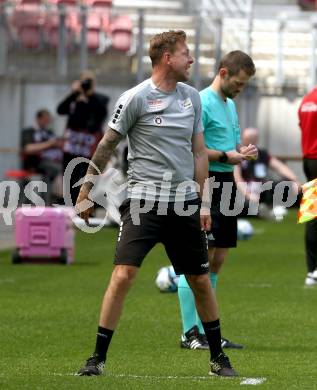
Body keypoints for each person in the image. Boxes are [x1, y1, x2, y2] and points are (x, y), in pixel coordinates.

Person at [75, 30, 237, 377]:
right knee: (123, 276)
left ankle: (217, 358)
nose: (191, 59)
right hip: (143, 202)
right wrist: (85, 191)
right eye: (185, 53)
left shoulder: (192, 98)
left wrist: (204, 202)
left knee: (200, 280)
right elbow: (106, 147)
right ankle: (97, 358)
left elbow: (198, 153)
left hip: (183, 204)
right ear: (167, 58)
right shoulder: (134, 98)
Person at [177, 51, 257, 350]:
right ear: (223, 73)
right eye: (238, 82)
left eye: (245, 84)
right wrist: (227, 156)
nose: (241, 88)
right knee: (199, 259)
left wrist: (241, 152)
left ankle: (208, 329)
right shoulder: (200, 101)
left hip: (226, 184)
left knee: (218, 259)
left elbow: (228, 147)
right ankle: (189, 332)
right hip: (205, 182)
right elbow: (192, 149)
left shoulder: (230, 104)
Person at [57, 69, 109, 205]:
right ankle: (70, 206)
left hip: (88, 147)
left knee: (85, 178)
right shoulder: (75, 98)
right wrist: (74, 94)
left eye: (89, 81)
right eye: (83, 81)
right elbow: (60, 110)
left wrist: (88, 97)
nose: (86, 84)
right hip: (71, 146)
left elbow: (98, 117)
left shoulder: (99, 100)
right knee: (69, 176)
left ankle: (83, 206)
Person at [234, 127, 301, 218]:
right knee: (243, 206)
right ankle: (260, 211)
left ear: (256, 140)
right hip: (245, 190)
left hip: (263, 188)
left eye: (252, 139)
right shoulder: (237, 155)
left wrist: (295, 180)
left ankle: (271, 207)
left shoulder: (262, 154)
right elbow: (238, 179)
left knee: (287, 185)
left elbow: (280, 167)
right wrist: (248, 195)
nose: (249, 142)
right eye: (247, 139)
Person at [21, 109, 63, 203]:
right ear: (38, 119)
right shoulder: (29, 132)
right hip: (35, 163)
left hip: (51, 163)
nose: (47, 122)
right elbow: (28, 148)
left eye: (48, 120)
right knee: (59, 169)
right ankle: (60, 197)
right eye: (45, 119)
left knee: (64, 167)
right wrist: (49, 144)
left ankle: (56, 198)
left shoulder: (49, 132)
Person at [298, 87, 317, 286]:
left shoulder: (307, 100)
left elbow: (302, 127)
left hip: (309, 160)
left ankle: (312, 270)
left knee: (313, 214)